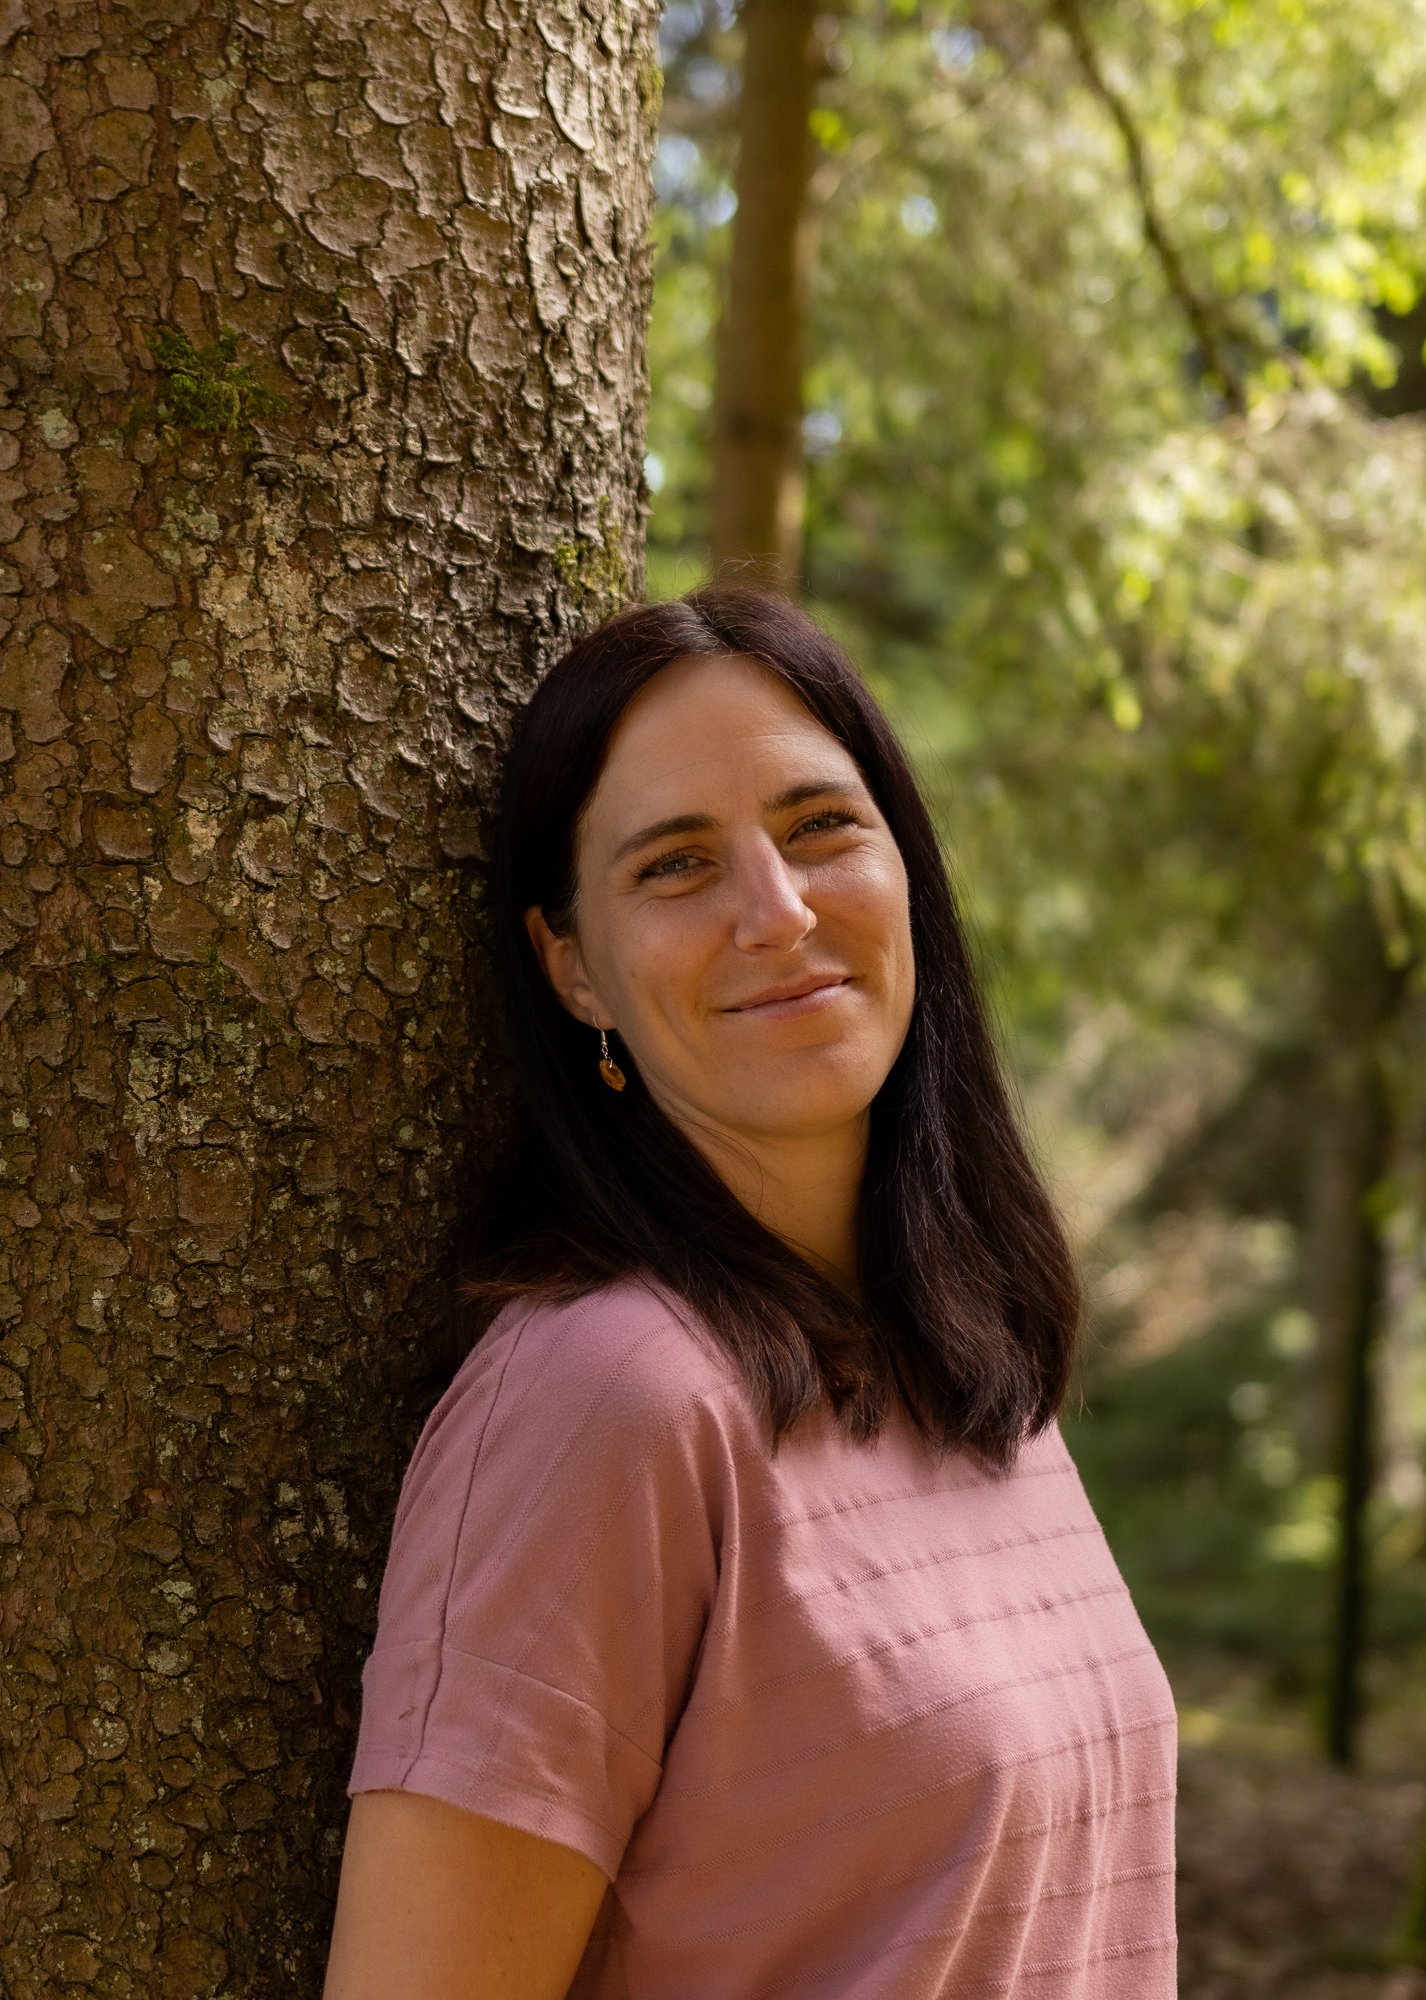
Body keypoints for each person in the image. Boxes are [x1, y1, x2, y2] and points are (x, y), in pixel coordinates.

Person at [323, 587, 1178, 1998]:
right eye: (674, 866)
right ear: (575, 969)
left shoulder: (973, 1369)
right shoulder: (603, 1399)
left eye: (820, 827)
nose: (777, 913)